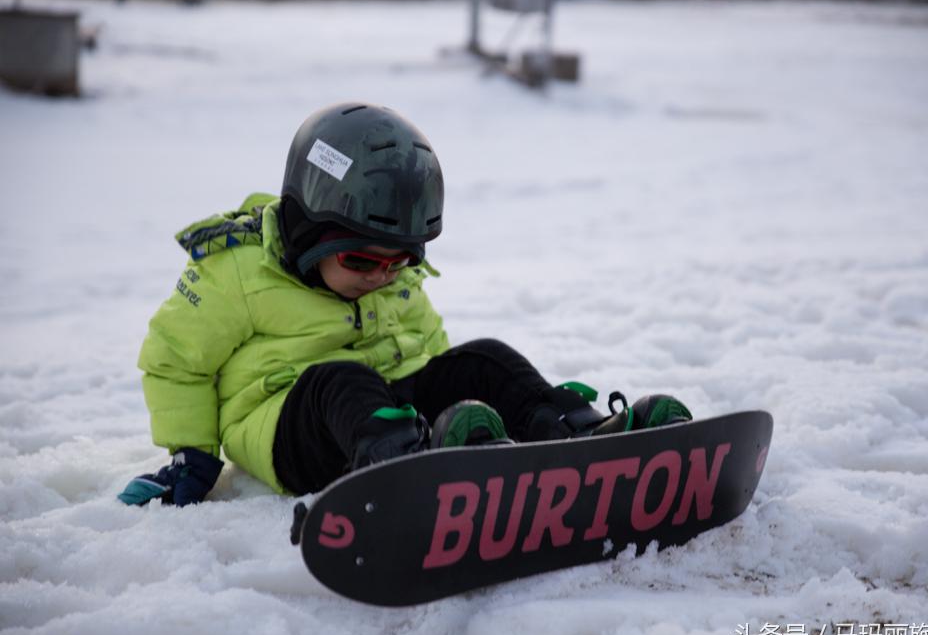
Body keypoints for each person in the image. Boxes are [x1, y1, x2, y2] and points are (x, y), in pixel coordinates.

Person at [118, 102, 692, 507]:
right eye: (363, 262)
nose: (382, 278)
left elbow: (427, 344)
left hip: (391, 404)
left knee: (483, 358)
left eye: (399, 264)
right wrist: (191, 457)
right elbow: (174, 358)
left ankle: (580, 437)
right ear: (308, 233)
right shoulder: (235, 270)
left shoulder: (385, 273)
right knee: (338, 379)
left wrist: (463, 399)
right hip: (292, 427)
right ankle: (408, 467)